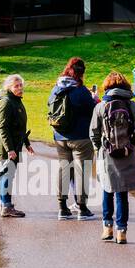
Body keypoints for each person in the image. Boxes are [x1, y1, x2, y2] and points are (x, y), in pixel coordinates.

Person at [90, 71, 135, 244]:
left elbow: (94, 133)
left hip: (107, 154)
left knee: (107, 190)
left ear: (107, 86)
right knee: (122, 194)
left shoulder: (100, 106)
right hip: (127, 154)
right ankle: (121, 231)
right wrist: (133, 145)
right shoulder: (133, 106)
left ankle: (107, 227)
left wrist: (99, 149)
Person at [47, 57, 97, 220]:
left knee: (64, 169)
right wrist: (94, 98)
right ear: (81, 73)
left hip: (60, 136)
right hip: (81, 137)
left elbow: (50, 105)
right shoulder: (81, 91)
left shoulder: (57, 88)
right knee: (82, 171)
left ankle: (62, 207)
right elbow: (93, 110)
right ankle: (82, 208)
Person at [0, 74, 33, 218]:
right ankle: (6, 207)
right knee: (6, 177)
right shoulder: (6, 102)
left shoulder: (16, 101)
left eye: (21, 85)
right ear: (9, 87)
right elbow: (2, 128)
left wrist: (27, 144)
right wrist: (9, 149)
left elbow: (21, 127)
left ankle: (4, 205)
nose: (20, 88)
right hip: (6, 148)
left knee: (7, 176)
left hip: (15, 145)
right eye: (16, 86)